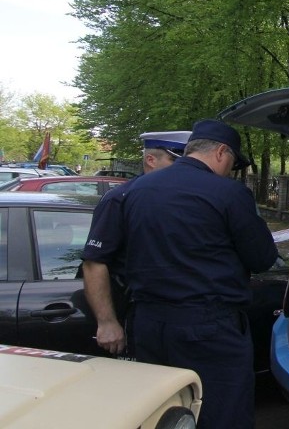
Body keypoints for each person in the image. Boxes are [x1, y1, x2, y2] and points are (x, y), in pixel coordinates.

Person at [121, 119, 277, 429]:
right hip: (209, 330)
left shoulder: (137, 190)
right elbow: (262, 259)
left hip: (149, 325)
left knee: (164, 414)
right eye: (232, 162)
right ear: (221, 152)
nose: (231, 171)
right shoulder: (228, 193)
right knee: (222, 414)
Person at [82, 130, 192, 357]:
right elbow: (95, 262)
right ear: (151, 160)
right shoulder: (121, 198)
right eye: (175, 160)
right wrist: (107, 322)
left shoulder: (185, 198)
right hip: (137, 312)